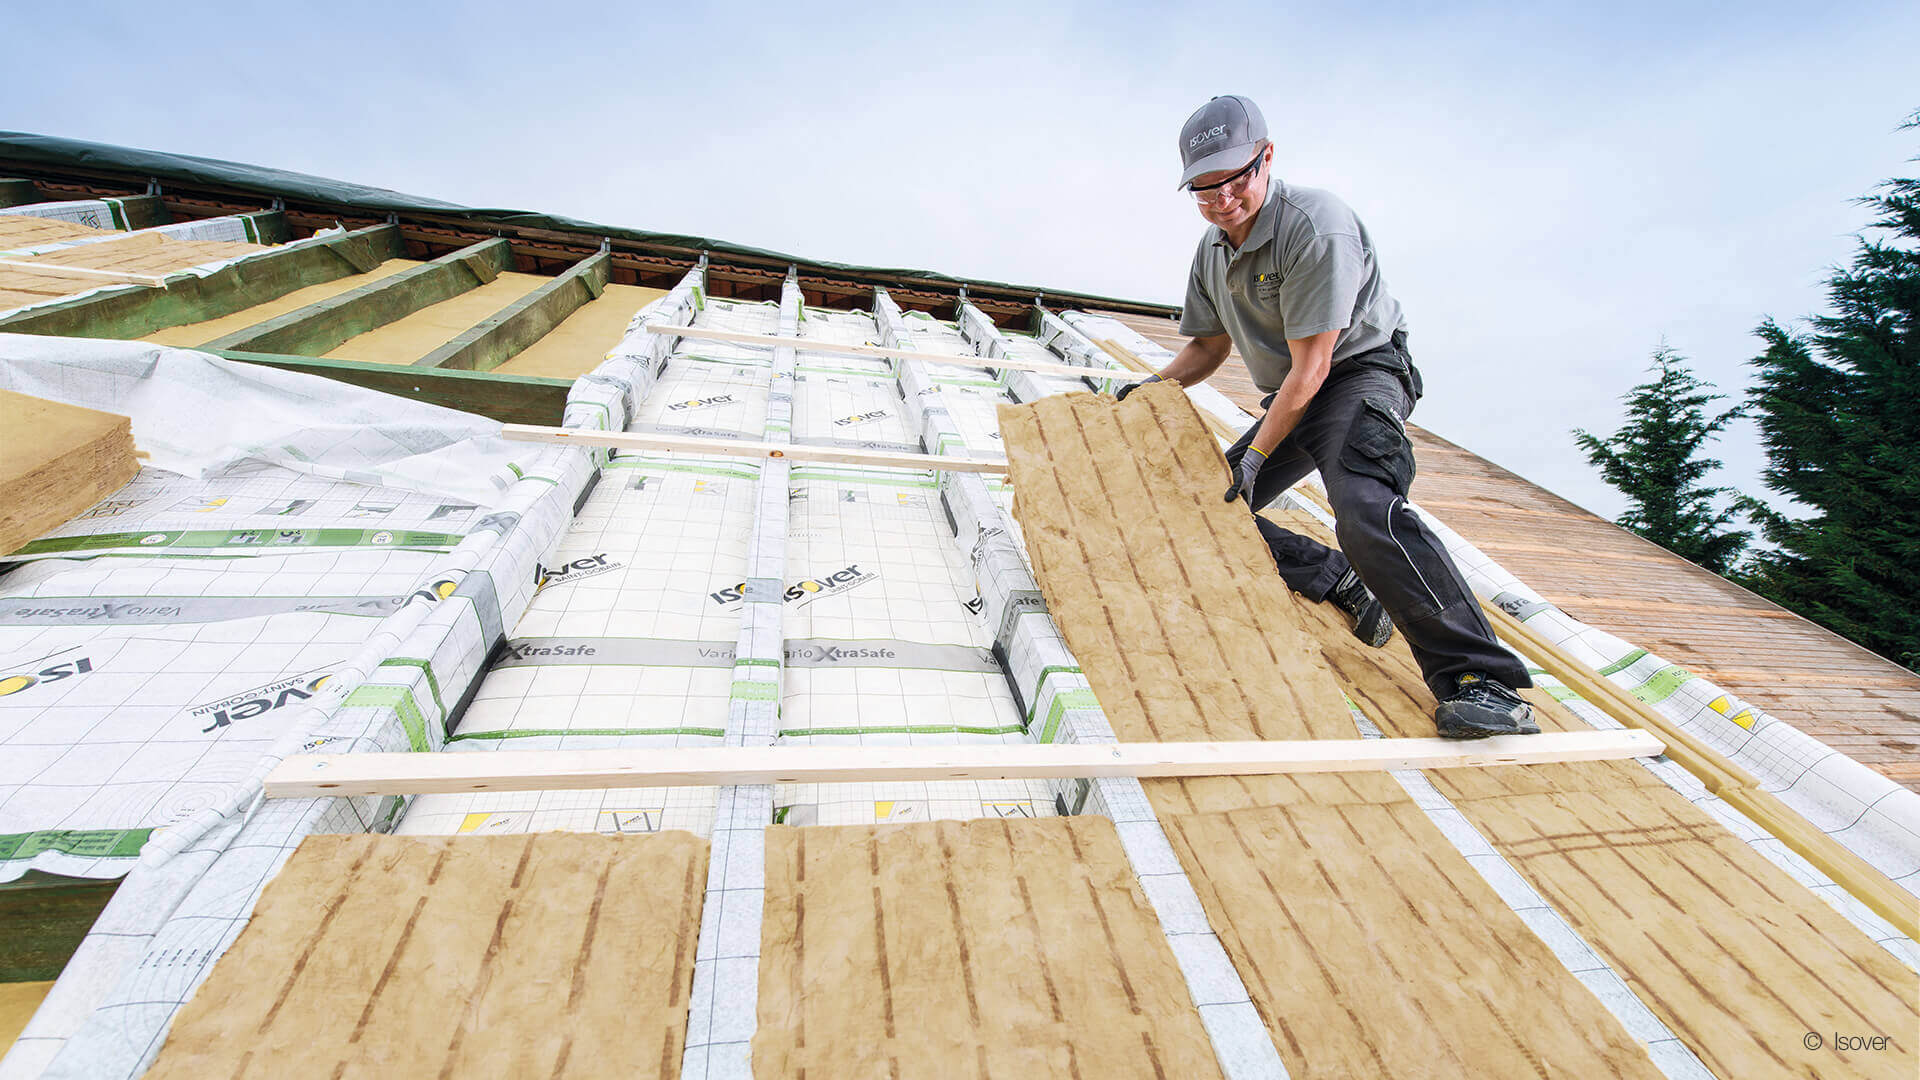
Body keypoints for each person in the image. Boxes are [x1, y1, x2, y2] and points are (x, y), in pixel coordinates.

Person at [1117, 94, 1537, 738]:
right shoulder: (1211, 252)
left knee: (1366, 508)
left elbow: (1314, 370)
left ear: (1267, 158)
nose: (1221, 198)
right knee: (1198, 509)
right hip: (1294, 393)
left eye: (1235, 179)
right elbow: (1206, 346)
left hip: (1358, 375)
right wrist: (1148, 386)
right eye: (1203, 189)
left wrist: (1256, 457)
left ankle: (1486, 682)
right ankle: (1340, 579)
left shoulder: (1317, 224)